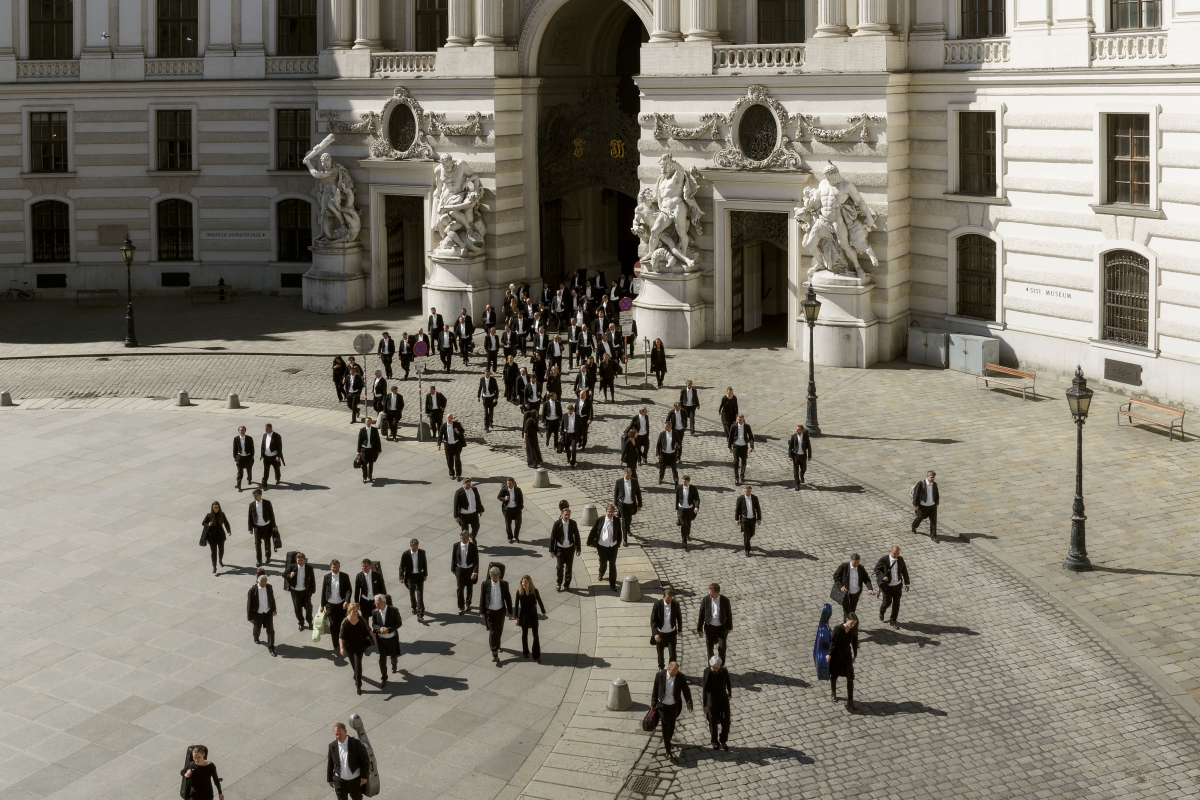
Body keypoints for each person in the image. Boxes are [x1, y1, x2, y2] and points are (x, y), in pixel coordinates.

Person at [651, 661, 692, 763]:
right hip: (662, 706)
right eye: (674, 672)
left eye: (677, 671)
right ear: (669, 669)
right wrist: (653, 703)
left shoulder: (680, 677)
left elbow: (686, 691)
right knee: (665, 725)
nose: (675, 673)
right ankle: (668, 749)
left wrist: (689, 704)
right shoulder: (660, 675)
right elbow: (655, 689)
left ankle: (667, 740)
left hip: (674, 706)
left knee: (671, 726)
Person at [339, 602, 375, 694]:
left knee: (358, 664)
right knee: (353, 663)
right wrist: (341, 648)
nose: (356, 613)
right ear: (349, 612)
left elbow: (368, 629)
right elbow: (341, 636)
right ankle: (356, 675)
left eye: (356, 611)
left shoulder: (361, 619)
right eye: (353, 611)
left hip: (360, 645)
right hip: (349, 647)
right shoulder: (345, 622)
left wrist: (374, 638)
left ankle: (358, 685)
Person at [479, 566, 513, 664]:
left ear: (499, 576)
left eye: (496, 577)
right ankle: (495, 653)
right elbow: (482, 598)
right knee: (493, 631)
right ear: (490, 576)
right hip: (490, 612)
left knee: (499, 629)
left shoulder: (504, 584)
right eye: (493, 577)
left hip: (500, 611)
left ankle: (497, 645)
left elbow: (508, 598)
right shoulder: (485, 584)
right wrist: (482, 612)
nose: (495, 579)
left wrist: (510, 612)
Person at [327, 723, 370, 800]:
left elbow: (365, 760)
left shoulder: (355, 744)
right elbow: (330, 763)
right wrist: (329, 779)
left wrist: (364, 776)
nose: (338, 737)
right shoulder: (332, 746)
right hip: (340, 781)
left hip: (354, 780)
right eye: (336, 734)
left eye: (340, 734)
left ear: (345, 732)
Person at [587, 504, 624, 592]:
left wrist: (618, 543)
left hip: (613, 546)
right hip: (602, 546)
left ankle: (612, 584)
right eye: (608, 511)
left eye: (612, 512)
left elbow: (619, 533)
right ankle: (601, 573)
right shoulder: (600, 520)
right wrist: (589, 542)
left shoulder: (617, 520)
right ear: (606, 511)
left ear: (614, 512)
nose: (610, 513)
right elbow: (593, 530)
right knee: (603, 562)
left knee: (612, 565)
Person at [827, 613, 860, 711]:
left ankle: (850, 701)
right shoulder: (838, 628)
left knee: (850, 678)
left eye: (854, 623)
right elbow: (832, 642)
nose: (852, 625)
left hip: (847, 656)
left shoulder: (853, 631)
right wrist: (829, 654)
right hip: (837, 656)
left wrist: (855, 655)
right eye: (851, 623)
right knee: (834, 675)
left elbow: (854, 643)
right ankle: (833, 692)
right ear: (847, 619)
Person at [695, 583, 732, 665]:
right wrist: (699, 629)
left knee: (722, 648)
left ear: (717, 592)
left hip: (721, 627)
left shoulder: (725, 600)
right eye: (709, 592)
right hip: (709, 627)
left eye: (711, 593)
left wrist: (729, 627)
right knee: (709, 647)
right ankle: (711, 666)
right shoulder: (706, 600)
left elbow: (729, 614)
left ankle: (721, 667)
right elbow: (701, 614)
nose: (710, 594)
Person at [513, 575, 547, 661]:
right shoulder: (519, 592)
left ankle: (536, 655)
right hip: (524, 616)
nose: (524, 584)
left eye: (526, 582)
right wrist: (516, 618)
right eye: (523, 582)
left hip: (533, 615)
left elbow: (539, 601)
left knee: (536, 635)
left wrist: (543, 612)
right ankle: (526, 652)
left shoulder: (534, 591)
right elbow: (516, 605)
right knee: (524, 635)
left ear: (530, 583)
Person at [702, 656, 733, 750]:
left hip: (723, 698)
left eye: (717, 668)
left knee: (726, 721)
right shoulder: (707, 672)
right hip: (712, 699)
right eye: (713, 668)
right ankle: (714, 741)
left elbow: (728, 681)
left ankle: (723, 739)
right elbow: (705, 689)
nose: (715, 669)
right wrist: (705, 704)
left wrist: (729, 693)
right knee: (713, 721)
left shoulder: (724, 671)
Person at [875, 545, 910, 627]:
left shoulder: (900, 559)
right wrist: (883, 576)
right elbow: (876, 569)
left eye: (898, 554)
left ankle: (893, 620)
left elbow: (904, 571)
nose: (896, 556)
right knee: (887, 602)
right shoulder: (884, 560)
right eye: (894, 554)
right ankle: (882, 610)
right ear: (890, 552)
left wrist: (907, 583)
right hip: (888, 587)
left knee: (896, 604)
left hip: (897, 586)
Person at [321, 559, 351, 653]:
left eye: (337, 567)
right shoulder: (327, 577)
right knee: (333, 625)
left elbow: (348, 590)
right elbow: (323, 591)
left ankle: (343, 642)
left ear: (339, 567)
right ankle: (336, 644)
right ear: (330, 567)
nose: (335, 569)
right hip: (330, 605)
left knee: (342, 624)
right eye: (333, 567)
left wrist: (347, 601)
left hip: (341, 605)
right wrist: (322, 605)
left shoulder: (344, 576)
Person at [548, 506, 581, 591]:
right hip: (560, 549)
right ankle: (559, 582)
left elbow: (577, 536)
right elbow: (553, 538)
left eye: (568, 515)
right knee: (559, 567)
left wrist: (578, 549)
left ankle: (567, 584)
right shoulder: (557, 524)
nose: (567, 516)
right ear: (562, 515)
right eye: (565, 515)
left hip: (570, 549)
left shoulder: (573, 523)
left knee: (569, 568)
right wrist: (551, 550)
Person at [371, 594, 401, 685]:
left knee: (393, 655)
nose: (376, 605)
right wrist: (379, 629)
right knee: (382, 659)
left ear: (384, 602)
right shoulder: (375, 612)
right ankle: (384, 677)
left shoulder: (393, 610)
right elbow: (374, 624)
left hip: (391, 638)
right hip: (381, 640)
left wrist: (389, 629)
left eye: (378, 603)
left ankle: (394, 663)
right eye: (375, 603)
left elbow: (398, 623)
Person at [246, 571, 277, 657]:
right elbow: (249, 604)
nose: (263, 585)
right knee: (257, 628)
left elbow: (272, 599)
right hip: (258, 614)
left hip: (268, 612)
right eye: (261, 584)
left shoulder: (269, 587)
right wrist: (250, 617)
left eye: (264, 584)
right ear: (258, 582)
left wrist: (274, 609)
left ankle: (271, 648)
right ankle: (256, 637)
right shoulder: (252, 590)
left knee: (271, 631)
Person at [650, 587, 681, 670]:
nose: (668, 602)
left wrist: (679, 630)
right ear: (663, 597)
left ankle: (671, 668)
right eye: (667, 600)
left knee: (673, 653)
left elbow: (679, 617)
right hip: (661, 633)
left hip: (671, 633)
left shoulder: (676, 604)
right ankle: (661, 667)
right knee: (660, 652)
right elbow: (653, 620)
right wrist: (655, 633)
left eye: (670, 600)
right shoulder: (657, 604)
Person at [284, 551, 316, 631]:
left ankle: (310, 621)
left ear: (304, 560)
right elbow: (284, 574)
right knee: (297, 608)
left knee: (309, 607)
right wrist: (289, 575)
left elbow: (312, 579)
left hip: (305, 591)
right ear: (296, 560)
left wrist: (312, 590)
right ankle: (301, 622)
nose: (300, 562)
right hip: (295, 591)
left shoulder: (309, 568)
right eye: (298, 560)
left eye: (301, 560)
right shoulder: (292, 567)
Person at [247, 489, 278, 566]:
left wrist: (274, 525)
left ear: (260, 495)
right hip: (257, 527)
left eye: (256, 495)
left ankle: (268, 557)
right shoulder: (252, 505)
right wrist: (250, 528)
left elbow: (271, 514)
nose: (255, 497)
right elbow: (250, 517)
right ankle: (259, 560)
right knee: (257, 543)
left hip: (266, 525)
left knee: (267, 542)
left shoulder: (267, 503)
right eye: (253, 496)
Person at [451, 531, 478, 613]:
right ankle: (461, 606)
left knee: (469, 587)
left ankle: (468, 603)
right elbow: (453, 557)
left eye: (464, 538)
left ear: (468, 538)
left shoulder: (473, 547)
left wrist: (475, 572)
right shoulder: (456, 545)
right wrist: (453, 568)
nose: (463, 540)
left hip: (469, 569)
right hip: (459, 569)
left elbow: (476, 560)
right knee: (460, 588)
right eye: (461, 538)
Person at [612, 468, 642, 545]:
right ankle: (625, 539)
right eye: (627, 475)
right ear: (624, 474)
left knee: (629, 519)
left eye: (629, 476)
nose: (628, 477)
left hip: (631, 504)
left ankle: (628, 530)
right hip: (622, 504)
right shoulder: (619, 482)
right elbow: (616, 493)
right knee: (624, 521)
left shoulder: (634, 481)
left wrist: (639, 504)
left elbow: (638, 493)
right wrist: (615, 503)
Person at [452, 477, 485, 542]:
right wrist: (456, 516)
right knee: (465, 531)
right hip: (464, 515)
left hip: (474, 513)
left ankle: (473, 536)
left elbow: (478, 500)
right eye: (466, 485)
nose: (468, 486)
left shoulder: (474, 489)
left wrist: (480, 510)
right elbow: (456, 504)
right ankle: (468, 543)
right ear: (463, 484)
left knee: (476, 527)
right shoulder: (459, 492)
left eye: (469, 484)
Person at [201, 501, 230, 575]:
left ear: (219, 507)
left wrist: (228, 531)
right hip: (212, 537)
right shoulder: (209, 515)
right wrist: (208, 524)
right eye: (214, 507)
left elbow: (226, 523)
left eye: (217, 507)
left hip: (220, 535)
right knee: (213, 552)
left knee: (221, 549)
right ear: (212, 508)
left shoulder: (222, 514)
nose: (216, 509)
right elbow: (203, 523)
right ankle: (214, 566)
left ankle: (220, 560)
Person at [911, 470, 940, 541]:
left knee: (933, 521)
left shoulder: (935, 484)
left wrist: (936, 503)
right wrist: (916, 505)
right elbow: (916, 495)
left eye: (934, 477)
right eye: (931, 477)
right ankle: (914, 526)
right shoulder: (921, 484)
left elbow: (936, 494)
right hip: (923, 506)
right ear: (927, 477)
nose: (933, 479)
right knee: (920, 518)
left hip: (932, 506)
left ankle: (933, 536)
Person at [727, 414, 754, 485]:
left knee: (744, 462)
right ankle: (736, 478)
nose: (739, 421)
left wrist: (751, 446)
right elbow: (730, 436)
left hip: (744, 446)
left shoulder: (747, 426)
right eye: (738, 419)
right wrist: (729, 446)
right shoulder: (734, 426)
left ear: (743, 420)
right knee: (735, 462)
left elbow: (751, 437)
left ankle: (742, 476)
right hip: (736, 445)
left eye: (740, 419)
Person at [734, 485, 761, 556]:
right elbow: (737, 510)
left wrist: (759, 519)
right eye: (747, 492)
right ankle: (747, 549)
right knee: (747, 534)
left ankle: (746, 538)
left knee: (752, 533)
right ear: (744, 492)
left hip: (752, 519)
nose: (748, 493)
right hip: (744, 519)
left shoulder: (755, 498)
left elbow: (758, 509)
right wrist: (737, 519)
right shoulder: (740, 499)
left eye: (749, 492)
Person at [675, 476, 699, 551]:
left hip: (690, 509)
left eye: (685, 482)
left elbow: (697, 499)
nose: (683, 483)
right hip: (681, 508)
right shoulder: (679, 487)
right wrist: (677, 509)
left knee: (688, 523)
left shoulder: (693, 488)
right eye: (682, 481)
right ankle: (684, 541)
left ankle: (687, 534)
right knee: (683, 524)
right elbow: (677, 498)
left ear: (688, 481)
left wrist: (696, 507)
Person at [439, 413, 466, 480]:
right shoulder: (443, 426)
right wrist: (438, 444)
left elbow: (463, 431)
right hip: (448, 445)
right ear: (446, 418)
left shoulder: (457, 424)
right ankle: (451, 473)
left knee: (457, 459)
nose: (449, 418)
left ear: (452, 418)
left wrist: (458, 431)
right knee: (449, 460)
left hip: (456, 444)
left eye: (450, 417)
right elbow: (440, 436)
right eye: (448, 417)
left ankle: (458, 474)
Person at [497, 477, 524, 542]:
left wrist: (520, 507)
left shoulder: (518, 490)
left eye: (509, 484)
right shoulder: (504, 490)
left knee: (518, 523)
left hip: (516, 509)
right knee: (508, 525)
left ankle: (516, 536)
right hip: (508, 510)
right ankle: (510, 537)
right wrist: (504, 498)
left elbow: (521, 499)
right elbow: (499, 497)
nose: (508, 485)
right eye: (507, 483)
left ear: (513, 483)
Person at [357, 417, 382, 483]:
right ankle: (364, 477)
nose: (368, 422)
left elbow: (377, 440)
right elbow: (359, 440)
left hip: (372, 449)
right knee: (364, 463)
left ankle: (370, 476)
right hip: (364, 449)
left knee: (371, 463)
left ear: (371, 422)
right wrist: (358, 451)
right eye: (367, 421)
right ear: (365, 422)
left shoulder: (374, 430)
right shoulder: (362, 430)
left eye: (369, 421)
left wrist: (379, 450)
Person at [656, 420, 681, 486]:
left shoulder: (675, 433)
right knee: (662, 468)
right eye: (664, 427)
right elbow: (658, 445)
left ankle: (676, 480)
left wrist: (677, 445)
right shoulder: (662, 434)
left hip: (672, 454)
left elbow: (678, 442)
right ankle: (660, 478)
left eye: (666, 427)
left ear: (670, 426)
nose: (665, 428)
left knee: (674, 468)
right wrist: (658, 454)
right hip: (664, 454)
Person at [788, 423, 813, 489]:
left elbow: (809, 447)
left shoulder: (805, 436)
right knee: (796, 471)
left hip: (803, 456)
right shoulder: (793, 436)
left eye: (798, 430)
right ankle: (797, 483)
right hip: (796, 455)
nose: (796, 431)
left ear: (802, 430)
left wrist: (809, 456)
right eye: (796, 429)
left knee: (804, 468)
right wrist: (790, 456)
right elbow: (790, 447)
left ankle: (801, 475)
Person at [232, 426, 254, 491]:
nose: (242, 431)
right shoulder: (236, 438)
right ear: (239, 431)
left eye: (243, 430)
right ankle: (239, 484)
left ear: (245, 431)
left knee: (248, 469)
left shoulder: (249, 438)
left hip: (248, 457)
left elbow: (252, 448)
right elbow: (234, 448)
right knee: (239, 471)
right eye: (241, 430)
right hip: (239, 457)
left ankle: (249, 479)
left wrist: (251, 456)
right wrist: (234, 457)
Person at [561, 403, 581, 467]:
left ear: (573, 410)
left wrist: (581, 434)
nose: (569, 412)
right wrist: (561, 434)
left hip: (574, 435)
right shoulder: (564, 416)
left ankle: (573, 462)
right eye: (568, 411)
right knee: (567, 448)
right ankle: (568, 456)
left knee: (574, 449)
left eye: (570, 411)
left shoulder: (577, 416)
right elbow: (562, 425)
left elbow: (581, 426)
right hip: (567, 434)